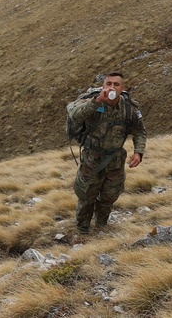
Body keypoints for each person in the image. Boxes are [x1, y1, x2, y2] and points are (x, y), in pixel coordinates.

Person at [67, 72, 147, 234]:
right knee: (87, 195)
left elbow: (139, 131)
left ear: (122, 88)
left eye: (116, 84)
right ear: (103, 86)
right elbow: (75, 115)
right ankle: (82, 229)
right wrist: (97, 102)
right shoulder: (91, 102)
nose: (112, 87)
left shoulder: (129, 108)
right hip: (92, 159)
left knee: (109, 196)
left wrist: (138, 152)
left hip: (115, 160)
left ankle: (101, 227)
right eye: (108, 84)